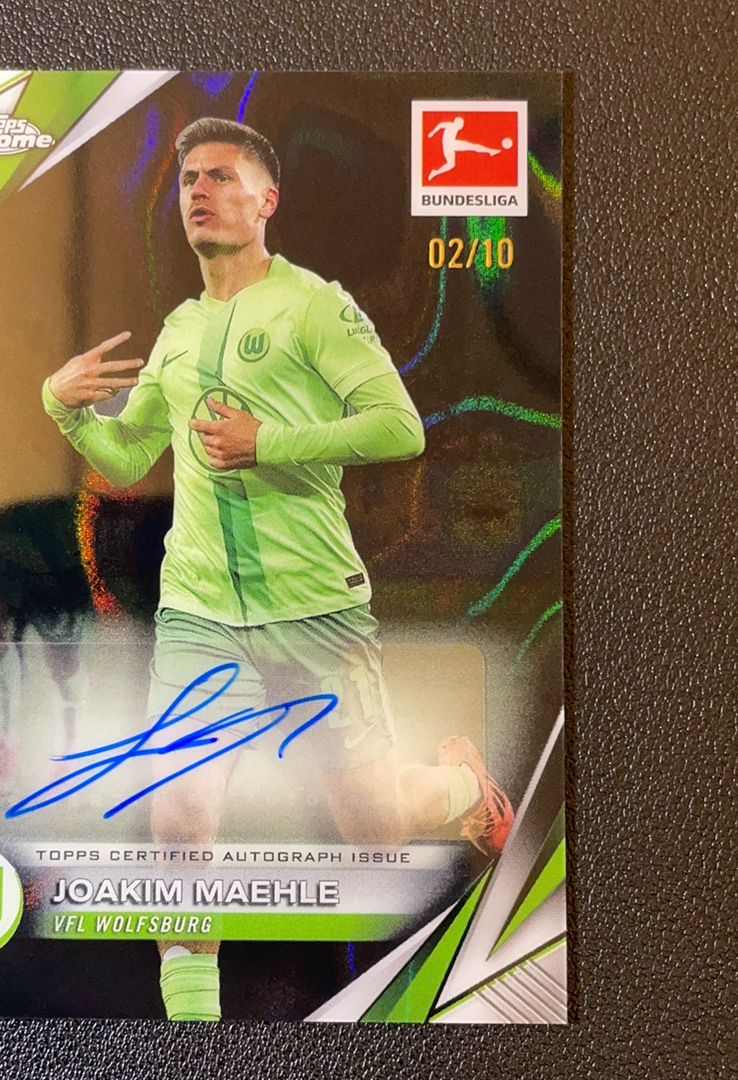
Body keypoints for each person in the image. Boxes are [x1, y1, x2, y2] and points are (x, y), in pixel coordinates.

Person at [43, 118, 512, 1022]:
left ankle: (462, 787)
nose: (199, 191)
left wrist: (271, 442)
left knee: (373, 833)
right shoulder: (180, 330)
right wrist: (64, 410)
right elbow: (131, 456)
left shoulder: (314, 307)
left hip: (314, 610)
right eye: (190, 179)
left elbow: (399, 428)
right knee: (179, 823)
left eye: (221, 176)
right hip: (199, 614)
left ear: (267, 201)